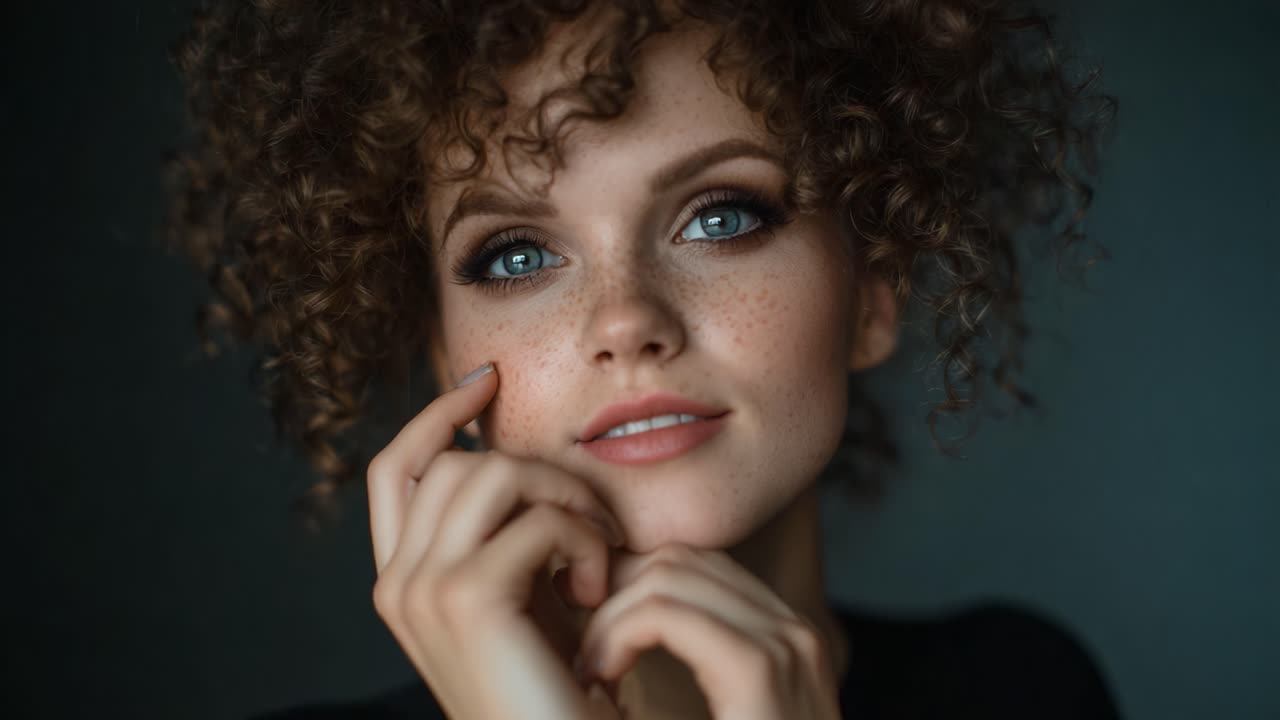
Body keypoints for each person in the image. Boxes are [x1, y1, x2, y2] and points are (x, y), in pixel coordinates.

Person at [164, 0, 1120, 717]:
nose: (624, 320)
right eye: (518, 257)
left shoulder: (1023, 690)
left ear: (874, 292)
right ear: (444, 350)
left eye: (720, 217)